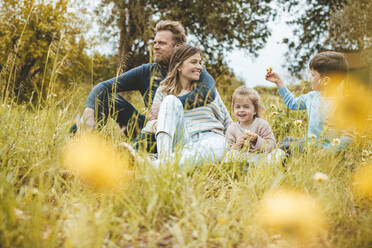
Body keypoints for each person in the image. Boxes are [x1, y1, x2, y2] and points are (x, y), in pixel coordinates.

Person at [73, 20, 216, 152]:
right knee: (108, 100)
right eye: (154, 42)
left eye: (162, 43)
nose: (156, 47)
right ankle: (72, 145)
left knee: (127, 152)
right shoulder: (147, 71)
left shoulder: (193, 69)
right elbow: (103, 86)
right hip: (150, 130)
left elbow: (208, 92)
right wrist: (89, 110)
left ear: (177, 47)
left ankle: (124, 155)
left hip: (181, 135)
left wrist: (169, 106)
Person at [140, 44, 232, 167]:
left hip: (211, 137)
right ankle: (163, 158)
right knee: (170, 100)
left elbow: (227, 121)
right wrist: (156, 122)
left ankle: (156, 167)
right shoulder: (163, 91)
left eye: (200, 62)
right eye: (194, 62)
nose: (199, 67)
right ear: (179, 66)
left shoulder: (208, 90)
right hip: (180, 139)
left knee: (204, 150)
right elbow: (152, 122)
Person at [265, 51, 352, 154]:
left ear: (325, 81)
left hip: (326, 152)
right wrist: (279, 83)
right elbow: (292, 103)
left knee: (286, 148)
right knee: (287, 141)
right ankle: (269, 159)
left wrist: (325, 152)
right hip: (309, 145)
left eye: (313, 75)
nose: (310, 79)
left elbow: (348, 136)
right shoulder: (311, 97)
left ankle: (272, 159)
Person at [225, 86, 284, 165]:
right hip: (244, 157)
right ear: (233, 109)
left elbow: (271, 145)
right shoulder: (232, 128)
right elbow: (228, 148)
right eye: (237, 107)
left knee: (278, 153)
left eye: (246, 107)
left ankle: (260, 166)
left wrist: (257, 140)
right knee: (230, 155)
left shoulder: (262, 124)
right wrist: (237, 145)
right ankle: (245, 166)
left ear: (255, 110)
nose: (241, 110)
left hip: (262, 156)